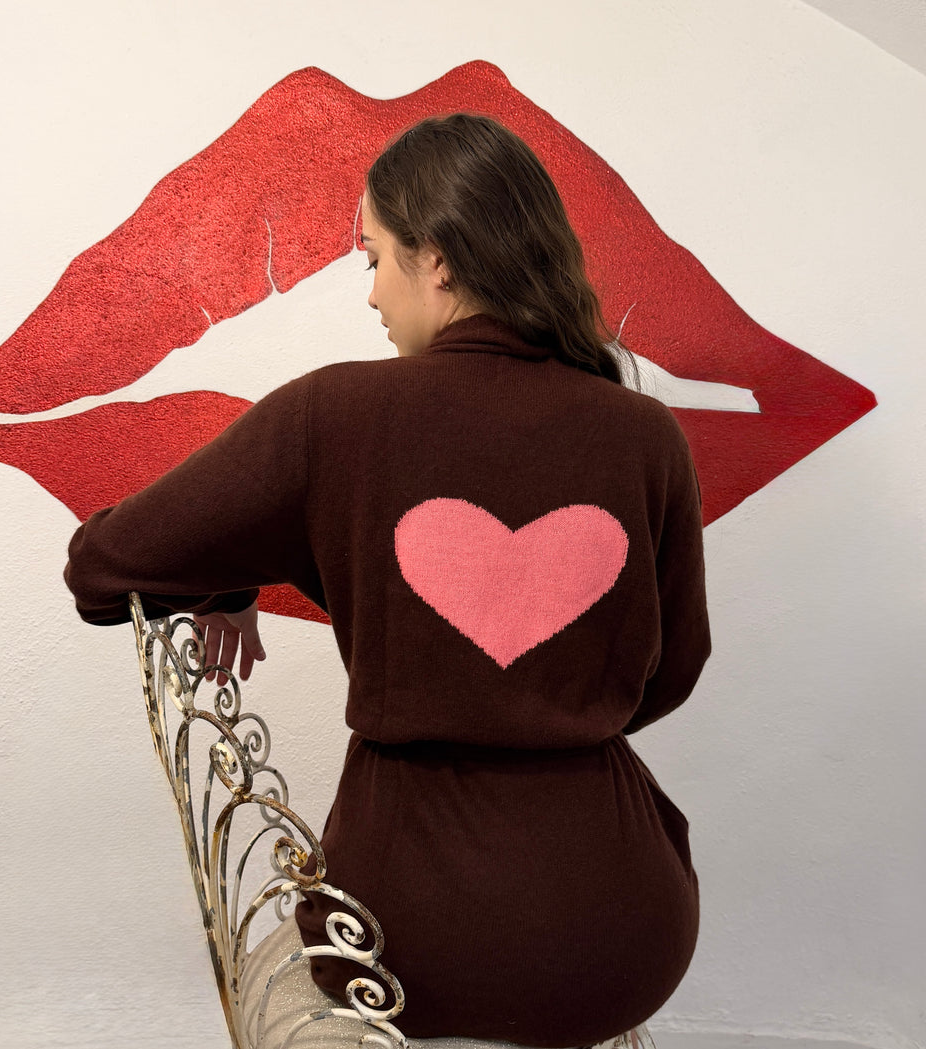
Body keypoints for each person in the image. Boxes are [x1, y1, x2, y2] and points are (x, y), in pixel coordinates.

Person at [65, 113, 710, 1049]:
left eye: (372, 257)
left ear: (436, 258)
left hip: (398, 949)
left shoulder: (336, 414)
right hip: (619, 939)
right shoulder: (646, 435)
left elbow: (103, 565)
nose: (370, 292)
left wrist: (223, 579)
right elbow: (673, 670)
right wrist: (542, 711)